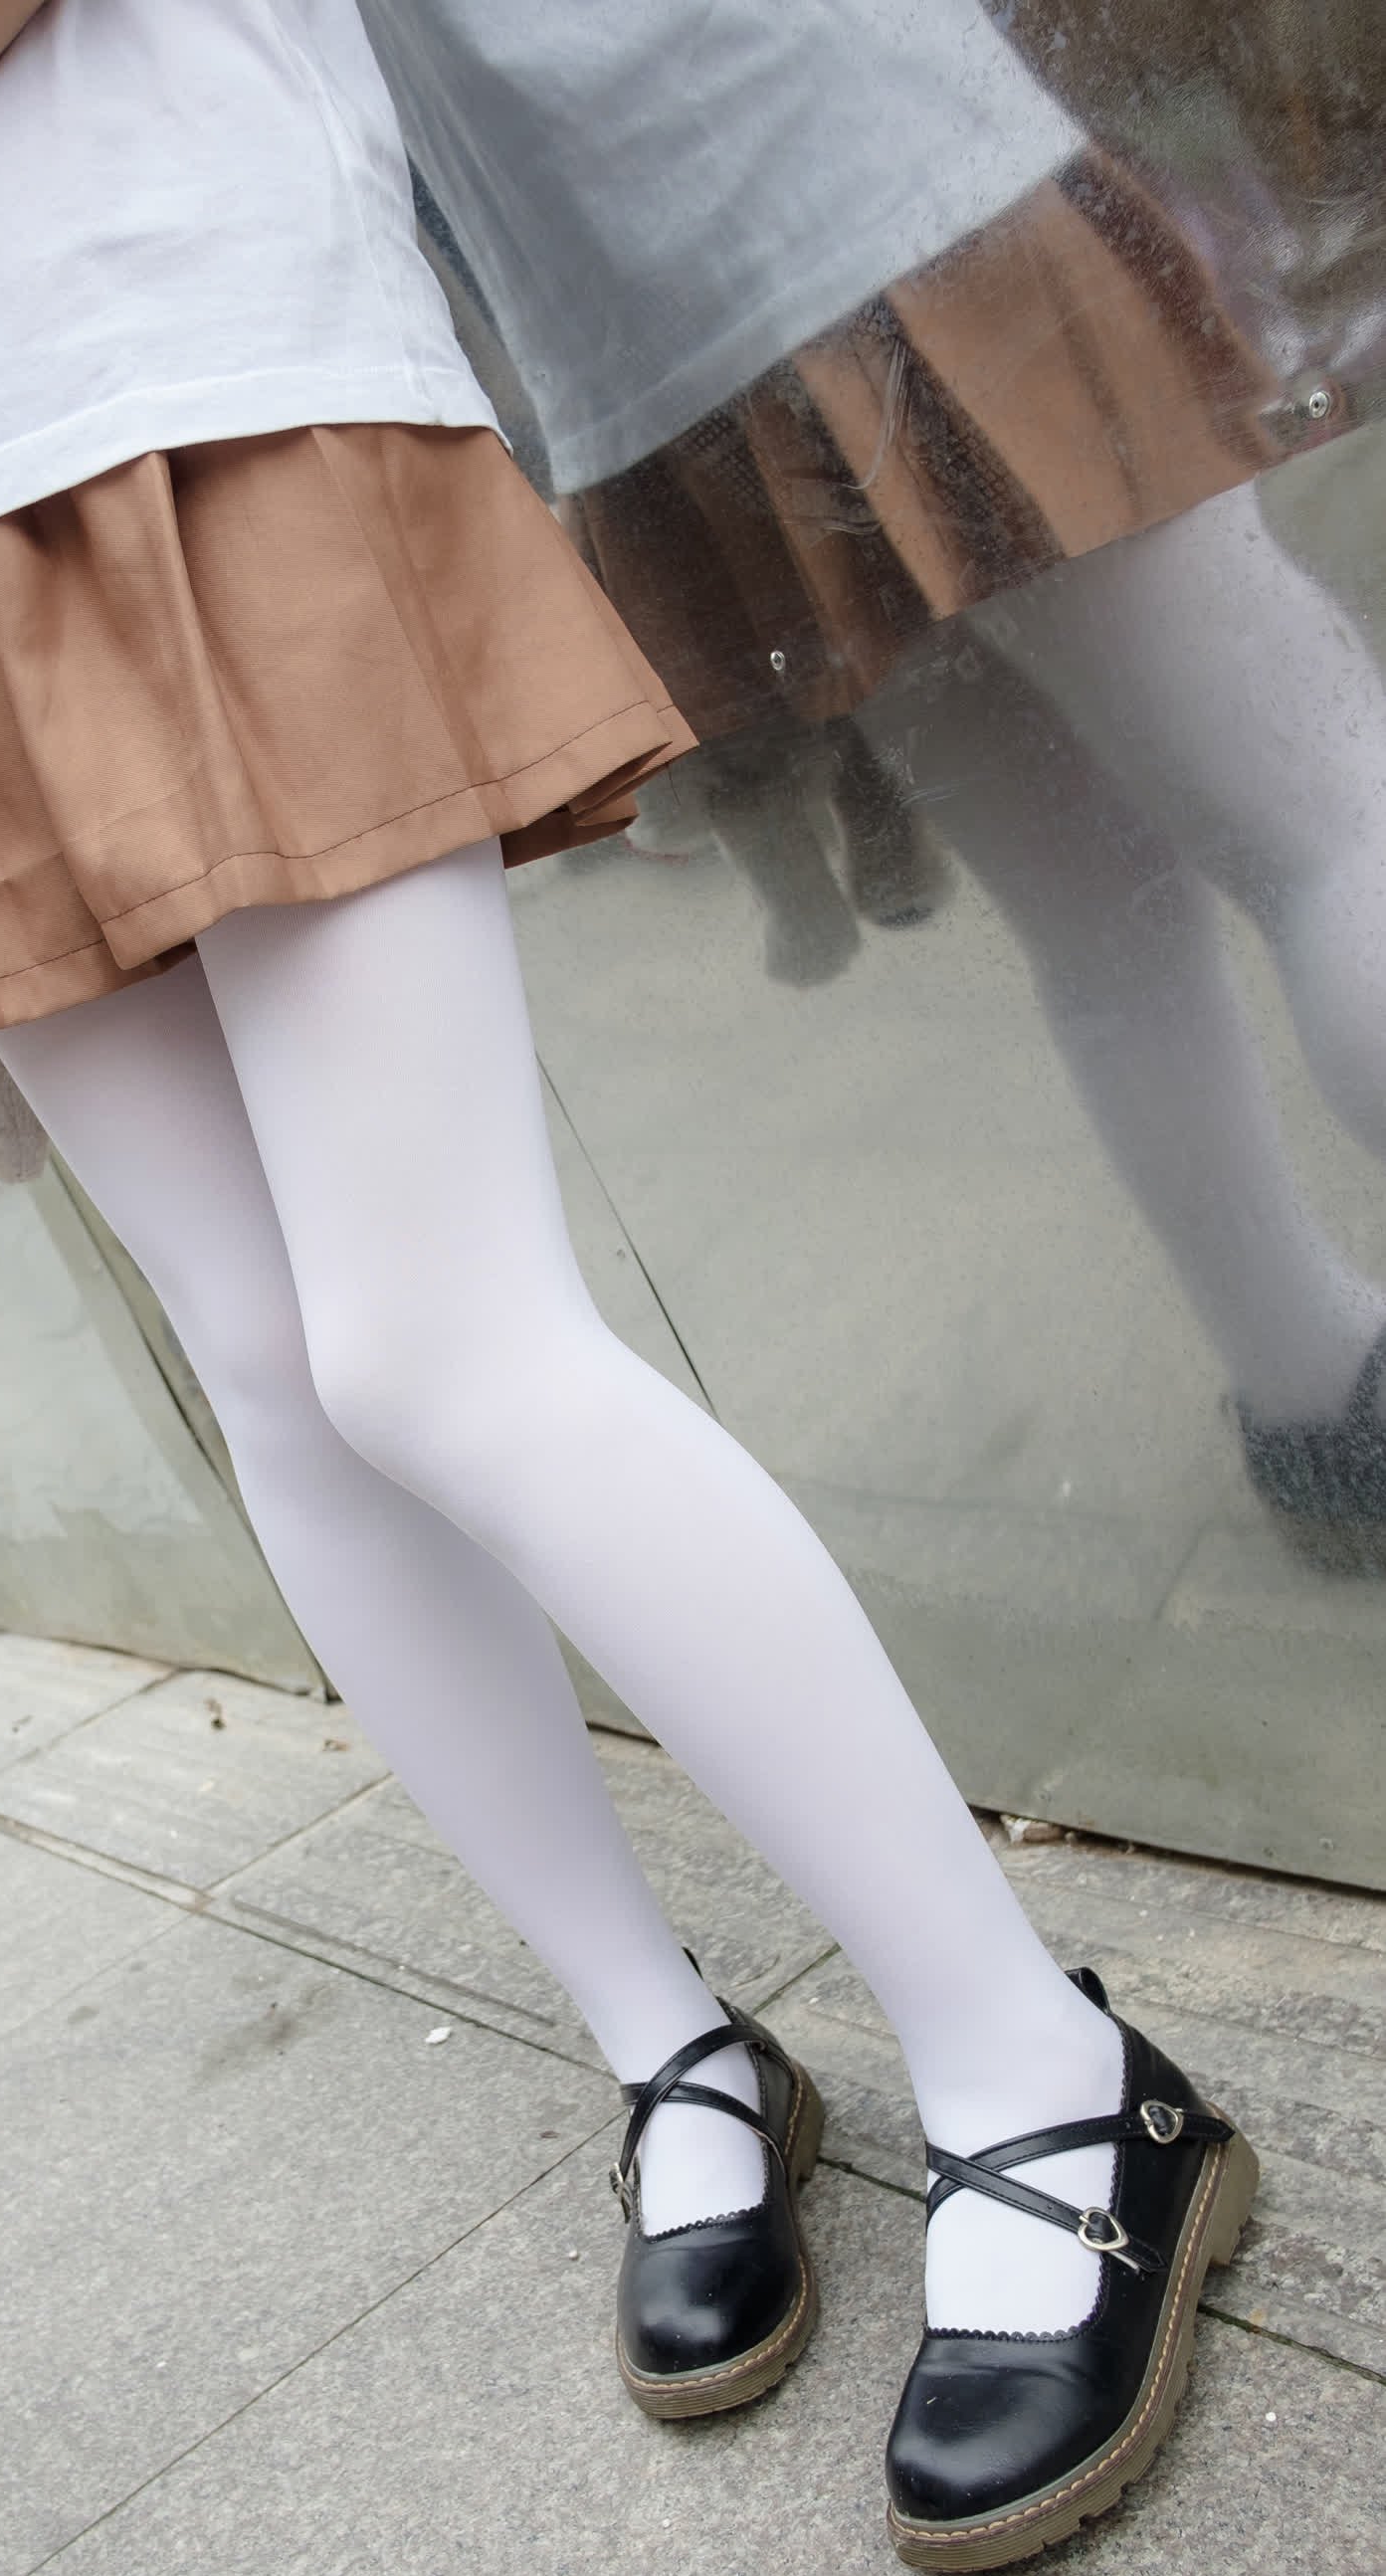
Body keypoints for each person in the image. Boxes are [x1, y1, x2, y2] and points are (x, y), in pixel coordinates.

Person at [0, 0, 1257, 2574]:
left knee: (433, 1339)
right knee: (274, 1375)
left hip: (179, 374)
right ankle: (666, 2042)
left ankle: (1040, 2068)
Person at [364, 0, 1386, 1576]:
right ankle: (1318, 1398)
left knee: (1104, 934)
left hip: (650, 328)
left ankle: (1315, 1406)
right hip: (879, 162)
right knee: (1324, 822)